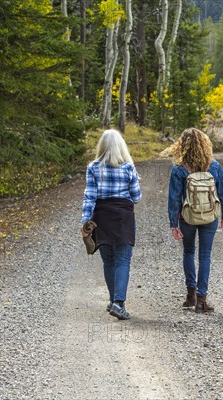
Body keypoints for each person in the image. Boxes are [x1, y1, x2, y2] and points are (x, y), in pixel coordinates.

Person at [164, 128, 223, 313]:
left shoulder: (179, 169)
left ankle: (190, 296)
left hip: (187, 217)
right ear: (204, 144)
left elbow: (174, 199)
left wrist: (173, 223)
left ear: (182, 146)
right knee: (205, 256)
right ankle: (202, 300)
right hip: (210, 216)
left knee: (188, 252)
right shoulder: (214, 166)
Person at [81, 129, 142, 320]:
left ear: (102, 146)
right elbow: (137, 197)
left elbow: (89, 197)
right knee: (123, 260)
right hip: (123, 216)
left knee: (109, 260)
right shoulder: (128, 168)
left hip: (102, 217)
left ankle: (112, 301)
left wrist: (85, 221)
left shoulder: (93, 167)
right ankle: (119, 303)